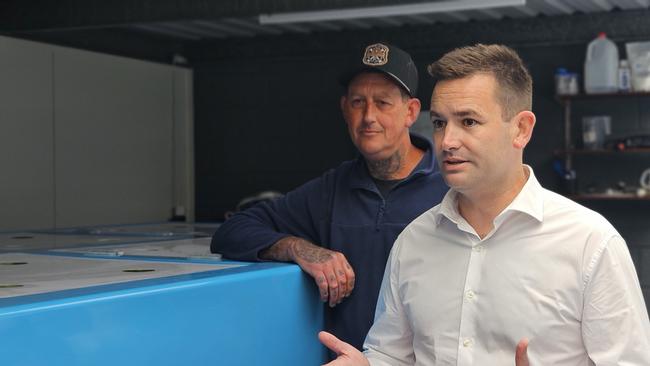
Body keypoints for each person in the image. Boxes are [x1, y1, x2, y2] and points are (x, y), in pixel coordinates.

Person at [320, 43, 650, 365]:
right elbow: (392, 354)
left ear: (521, 129)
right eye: (439, 123)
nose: (447, 141)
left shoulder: (589, 243)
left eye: (468, 122)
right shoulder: (413, 242)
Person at [211, 42, 448, 351]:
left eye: (383, 103)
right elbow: (231, 232)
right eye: (358, 102)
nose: (368, 116)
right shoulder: (331, 190)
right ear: (344, 109)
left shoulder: (452, 188)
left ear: (411, 112)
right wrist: (299, 248)